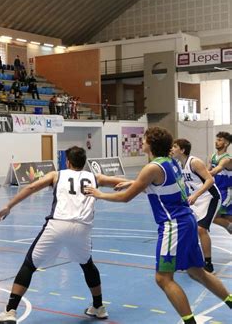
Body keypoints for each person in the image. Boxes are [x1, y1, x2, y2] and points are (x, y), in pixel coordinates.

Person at [84, 127, 232, 324]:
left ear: (151, 143)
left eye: (144, 139)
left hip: (173, 225)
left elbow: (127, 197)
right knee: (197, 272)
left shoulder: (152, 168)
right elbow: (152, 186)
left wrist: (100, 194)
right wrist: (130, 183)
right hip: (186, 219)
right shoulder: (171, 163)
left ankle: (190, 322)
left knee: (163, 278)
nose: (142, 142)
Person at [0, 146, 131, 323]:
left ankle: (10, 311)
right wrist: (136, 182)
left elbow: (32, 187)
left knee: (29, 265)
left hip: (58, 224)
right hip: (82, 228)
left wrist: (9, 205)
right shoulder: (95, 177)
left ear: (68, 162)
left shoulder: (57, 175)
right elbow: (122, 181)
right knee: (87, 265)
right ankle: (99, 307)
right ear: (84, 162)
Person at [170, 138, 221, 273]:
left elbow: (210, 180)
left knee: (201, 229)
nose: (172, 149)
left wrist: (196, 195)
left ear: (182, 150)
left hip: (210, 197)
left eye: (175, 146)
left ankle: (208, 264)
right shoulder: (180, 165)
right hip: (196, 199)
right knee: (187, 226)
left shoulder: (194, 162)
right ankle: (189, 259)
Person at [208, 131, 232, 234]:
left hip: (227, 192)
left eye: (220, 140)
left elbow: (215, 170)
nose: (216, 142)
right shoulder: (213, 156)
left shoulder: (227, 159)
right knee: (227, 218)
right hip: (217, 191)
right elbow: (207, 170)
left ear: (226, 143)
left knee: (213, 217)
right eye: (216, 139)